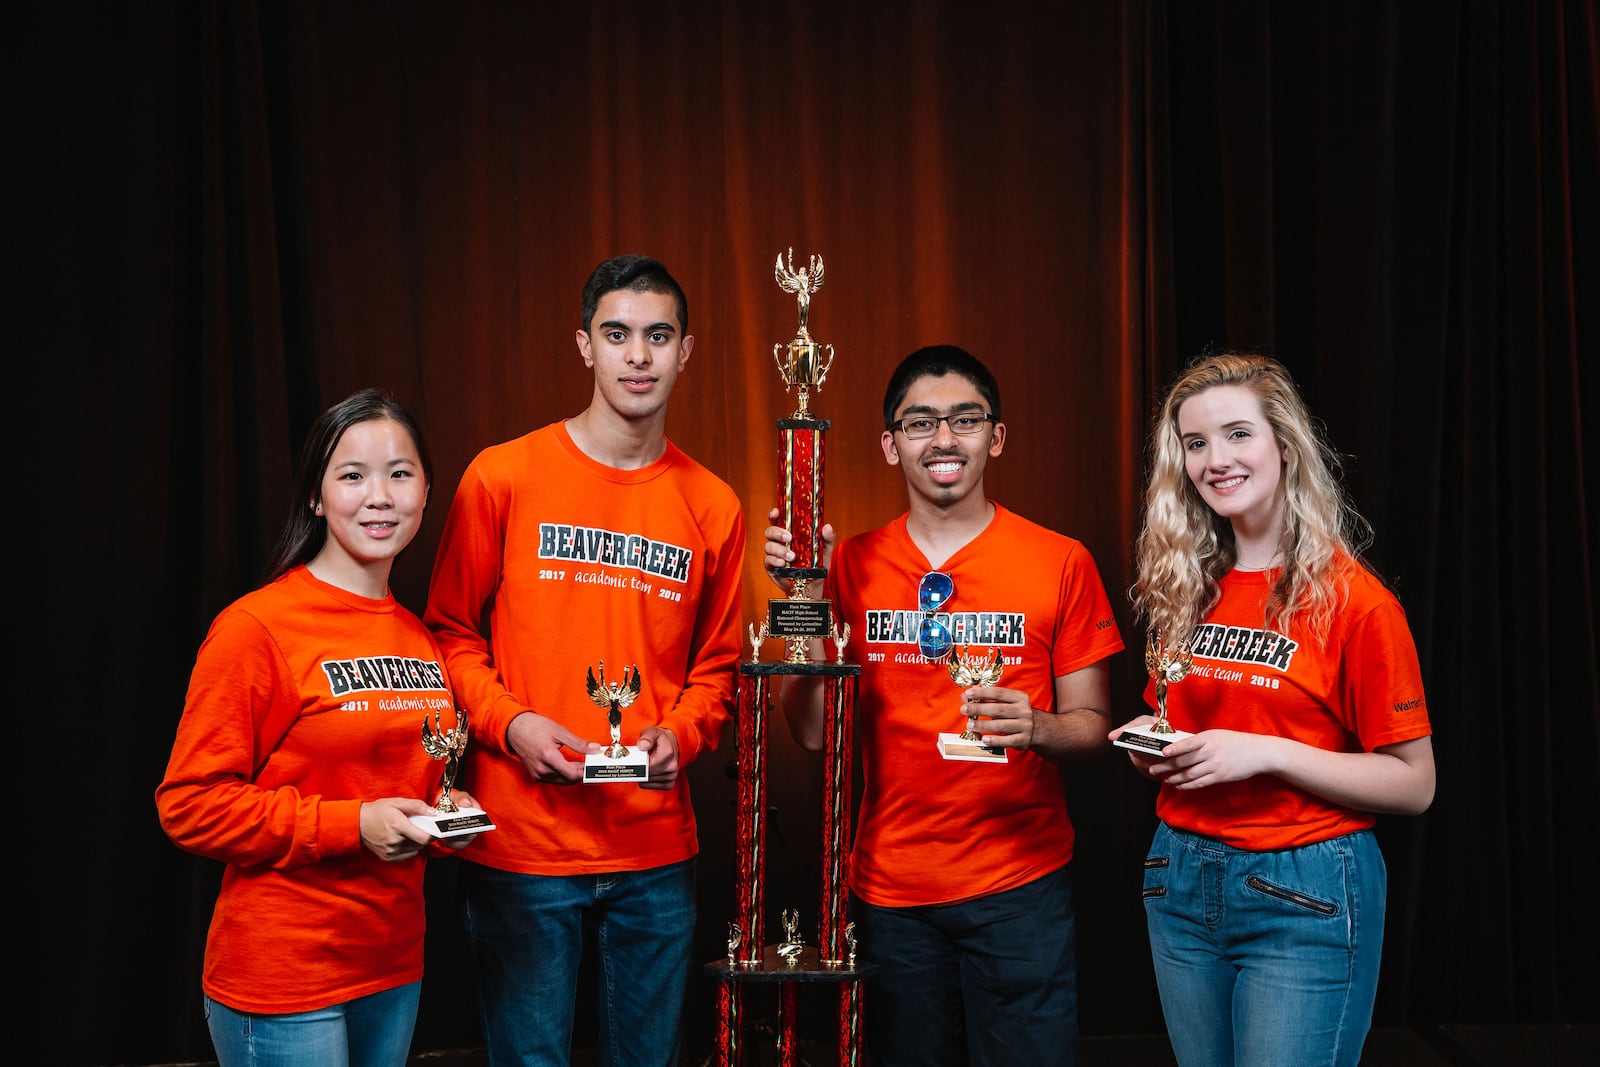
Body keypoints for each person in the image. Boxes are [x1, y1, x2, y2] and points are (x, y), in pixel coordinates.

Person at [763, 345, 1124, 1067]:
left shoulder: (1060, 559)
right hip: (894, 893)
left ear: (996, 436)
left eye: (965, 418)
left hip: (1021, 889)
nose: (944, 438)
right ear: (890, 445)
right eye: (920, 422)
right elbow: (807, 732)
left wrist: (1040, 726)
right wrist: (803, 594)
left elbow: (1093, 727)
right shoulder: (853, 565)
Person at [424, 254, 744, 1066]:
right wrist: (511, 723)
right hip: (524, 846)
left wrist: (685, 734)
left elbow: (718, 669)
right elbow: (449, 633)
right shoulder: (503, 476)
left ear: (686, 350)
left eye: (658, 336)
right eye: (618, 334)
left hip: (654, 855)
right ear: (585, 346)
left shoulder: (712, 504)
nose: (638, 355)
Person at [1111, 353, 1436, 1067]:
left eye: (1237, 434)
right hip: (1180, 877)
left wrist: (1267, 752)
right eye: (1195, 443)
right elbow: (1183, 731)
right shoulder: (1184, 585)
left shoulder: (1356, 601)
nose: (1214, 460)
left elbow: (1414, 783)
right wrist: (1153, 748)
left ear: (1283, 444)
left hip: (1305, 887)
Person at [157, 388, 482, 1067]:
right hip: (286, 974)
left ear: (427, 490)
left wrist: (448, 821)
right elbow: (188, 805)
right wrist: (350, 824)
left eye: (399, 472)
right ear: (315, 495)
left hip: (391, 964)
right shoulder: (257, 628)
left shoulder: (420, 638)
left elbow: (410, 785)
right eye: (352, 474)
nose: (380, 496)